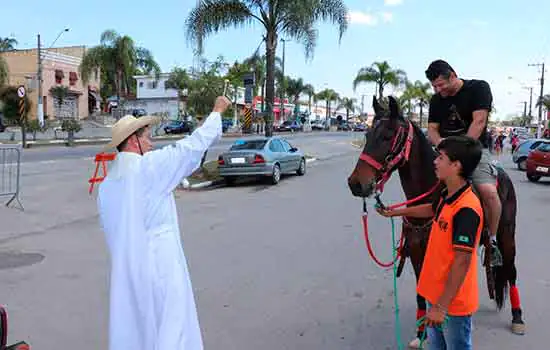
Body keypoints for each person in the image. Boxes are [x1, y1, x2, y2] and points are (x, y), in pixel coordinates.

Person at [97, 96, 232, 350]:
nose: (151, 143)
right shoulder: (147, 168)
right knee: (171, 328)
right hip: (160, 266)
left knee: (138, 331)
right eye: (147, 137)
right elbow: (190, 148)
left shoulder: (106, 187)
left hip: (128, 271)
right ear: (133, 141)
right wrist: (216, 112)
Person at [377, 136, 484, 350]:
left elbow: (462, 261)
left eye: (441, 157)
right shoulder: (447, 194)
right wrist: (396, 212)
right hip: (433, 295)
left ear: (456, 166)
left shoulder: (467, 209)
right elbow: (432, 209)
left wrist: (442, 307)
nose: (435, 161)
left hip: (452, 305)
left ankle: (493, 243)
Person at [425, 59, 502, 267]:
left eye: (441, 85)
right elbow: (432, 128)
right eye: (434, 86)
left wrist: (461, 151)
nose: (438, 90)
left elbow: (479, 121)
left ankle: (492, 241)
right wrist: (442, 145)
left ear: (452, 75)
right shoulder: (436, 100)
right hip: (445, 152)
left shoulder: (478, 88)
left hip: (475, 150)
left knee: (488, 192)